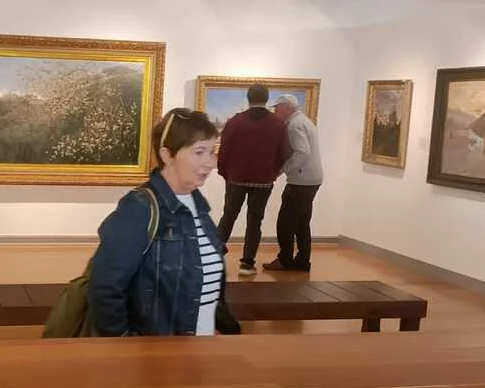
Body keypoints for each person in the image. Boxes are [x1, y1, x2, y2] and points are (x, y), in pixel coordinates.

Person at [87, 107, 241, 337]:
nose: (210, 163)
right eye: (199, 152)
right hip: (157, 353)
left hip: (201, 349)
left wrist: (212, 326)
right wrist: (124, 345)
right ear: (167, 155)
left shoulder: (199, 207)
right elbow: (105, 288)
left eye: (212, 151)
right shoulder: (139, 208)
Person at [215, 83, 291, 276]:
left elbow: (223, 150)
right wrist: (273, 171)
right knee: (255, 221)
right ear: (267, 99)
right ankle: (247, 264)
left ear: (248, 98)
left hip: (236, 179)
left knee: (228, 216)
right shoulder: (278, 124)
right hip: (263, 181)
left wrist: (225, 173)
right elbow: (285, 152)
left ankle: (213, 256)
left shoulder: (235, 121)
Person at [264, 93, 323, 272]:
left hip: (301, 180)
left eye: (277, 108)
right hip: (312, 179)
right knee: (302, 223)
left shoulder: (294, 125)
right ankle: (303, 260)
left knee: (285, 222)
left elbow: (302, 152)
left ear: (286, 107)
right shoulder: (304, 121)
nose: (275, 112)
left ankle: (285, 260)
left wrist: (283, 169)